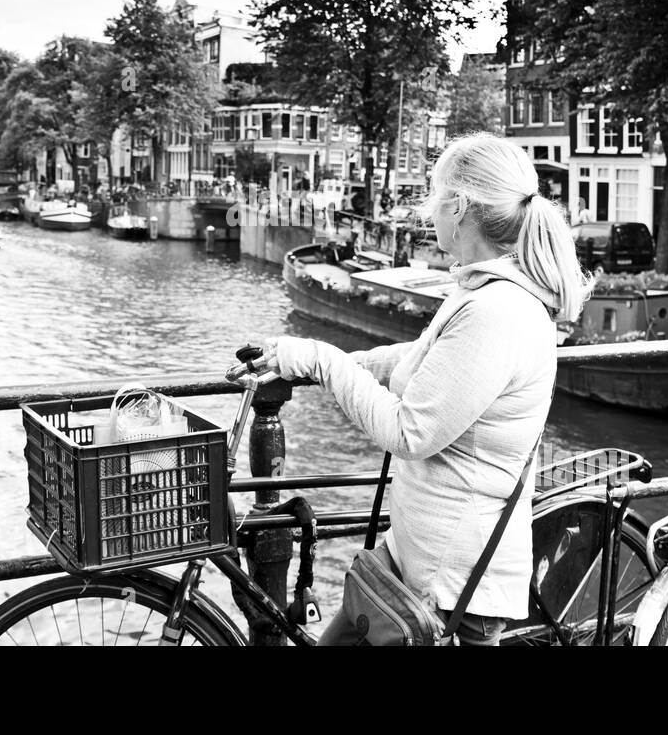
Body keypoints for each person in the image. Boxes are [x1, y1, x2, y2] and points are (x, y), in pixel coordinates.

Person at [252, 133, 591, 645]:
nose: (428, 211)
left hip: (453, 582)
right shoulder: (479, 289)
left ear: (458, 207)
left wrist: (321, 359)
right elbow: (421, 361)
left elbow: (411, 432)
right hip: (416, 551)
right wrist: (308, 362)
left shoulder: (499, 312)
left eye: (434, 197)